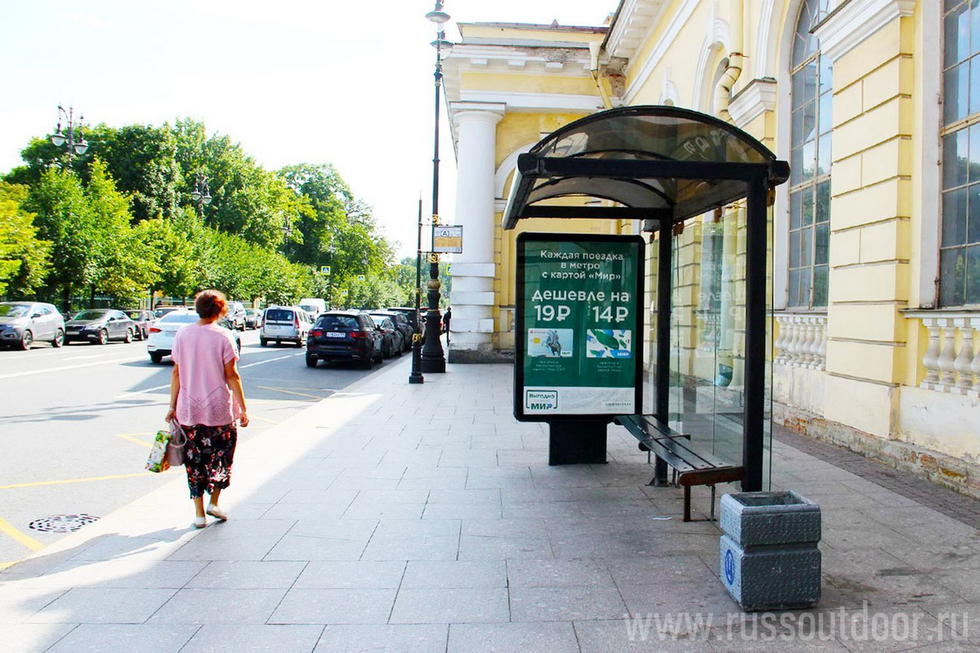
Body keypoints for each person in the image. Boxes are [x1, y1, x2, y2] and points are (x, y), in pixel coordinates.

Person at [165, 289, 249, 528]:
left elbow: (176, 372)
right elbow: (232, 376)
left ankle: (199, 514)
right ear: (220, 310)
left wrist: (172, 405)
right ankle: (215, 502)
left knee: (194, 461)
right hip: (219, 410)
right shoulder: (223, 336)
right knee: (221, 457)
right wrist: (242, 408)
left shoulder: (182, 335)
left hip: (189, 410)